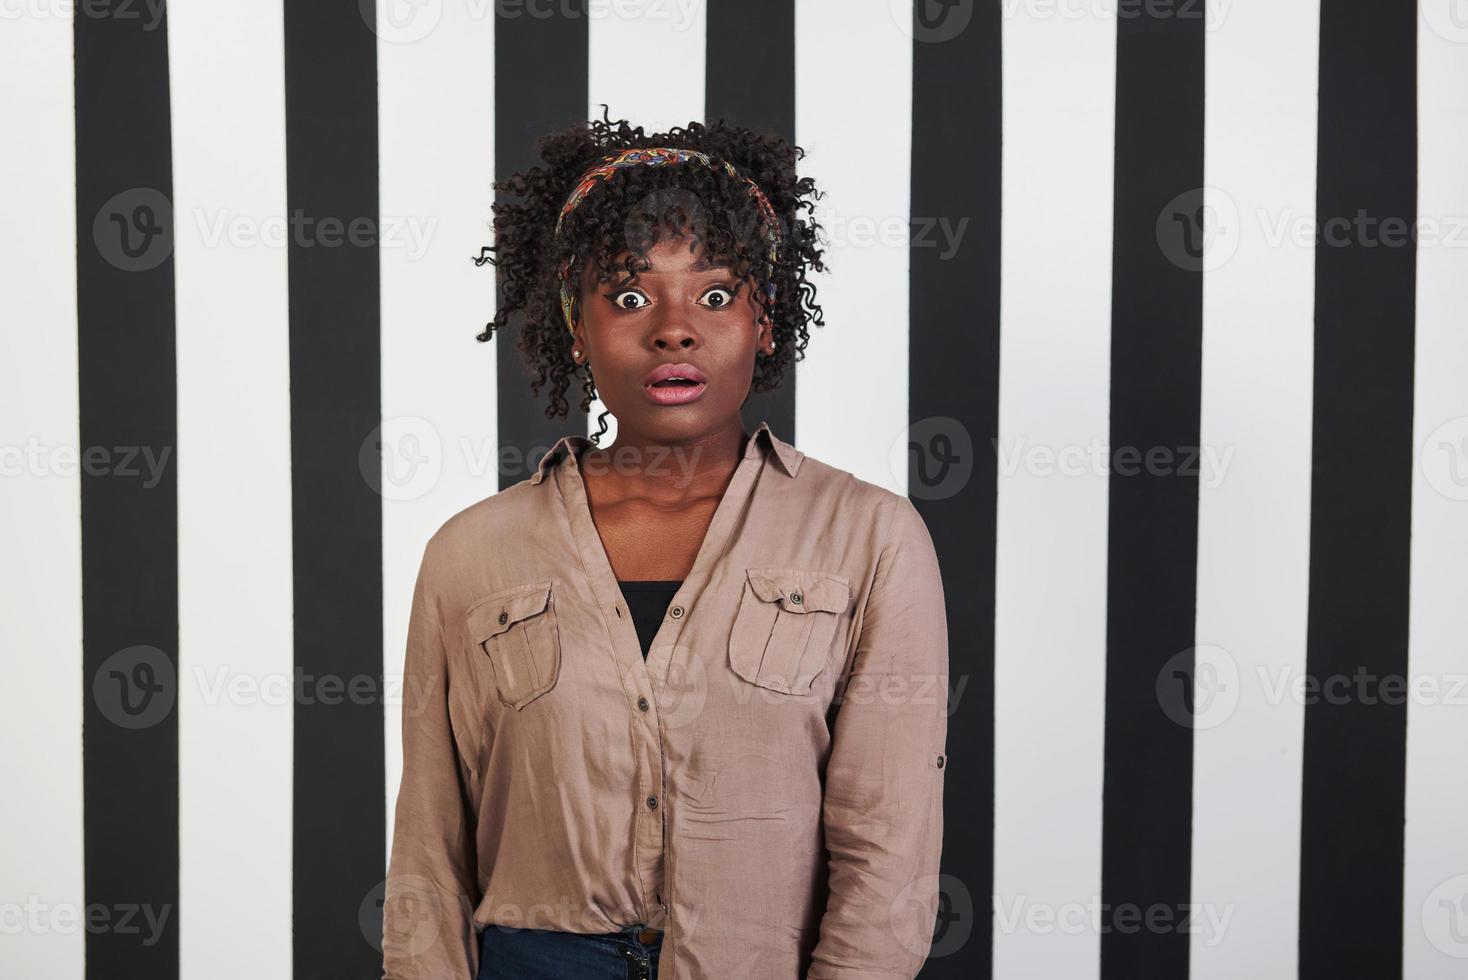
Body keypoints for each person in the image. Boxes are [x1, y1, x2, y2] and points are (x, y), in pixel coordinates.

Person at [382, 110, 949, 980]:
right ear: (577, 325)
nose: (674, 328)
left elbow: (888, 844)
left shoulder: (869, 537)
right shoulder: (471, 554)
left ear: (766, 322)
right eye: (631, 296)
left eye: (716, 295)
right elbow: (429, 852)